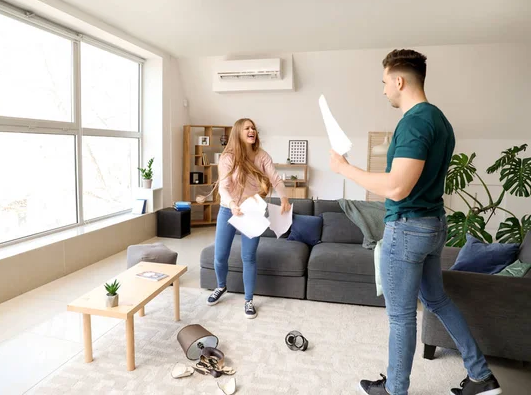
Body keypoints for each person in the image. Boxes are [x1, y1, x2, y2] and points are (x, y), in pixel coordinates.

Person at [329, 49, 501, 395]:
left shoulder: (414, 122)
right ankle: (481, 377)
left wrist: (345, 169)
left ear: (399, 80)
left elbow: (396, 185)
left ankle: (395, 390)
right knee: (437, 300)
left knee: (401, 317)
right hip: (433, 225)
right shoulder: (439, 120)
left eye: (383, 83)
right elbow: (405, 178)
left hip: (408, 229)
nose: (383, 91)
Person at [202, 118, 291, 319]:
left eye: (253, 128)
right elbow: (223, 187)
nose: (252, 131)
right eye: (247, 128)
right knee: (220, 255)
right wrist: (232, 204)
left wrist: (284, 198)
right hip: (228, 209)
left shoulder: (262, 156)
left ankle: (249, 300)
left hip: (252, 211)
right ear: (238, 133)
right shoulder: (228, 158)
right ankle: (220, 286)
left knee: (249, 257)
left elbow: (276, 179)